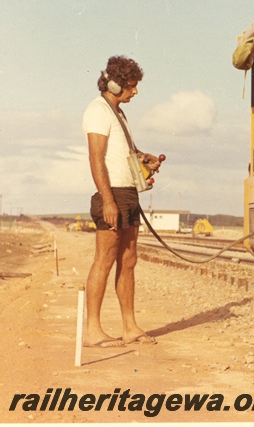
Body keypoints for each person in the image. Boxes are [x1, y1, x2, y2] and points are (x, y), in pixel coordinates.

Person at [82, 55, 161, 347]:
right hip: (111, 193)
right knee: (104, 260)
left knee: (128, 260)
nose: (135, 92)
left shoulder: (118, 113)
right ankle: (93, 330)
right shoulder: (98, 111)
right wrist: (108, 201)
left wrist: (144, 159)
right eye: (131, 86)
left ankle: (130, 327)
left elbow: (121, 154)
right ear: (114, 85)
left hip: (127, 193)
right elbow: (96, 157)